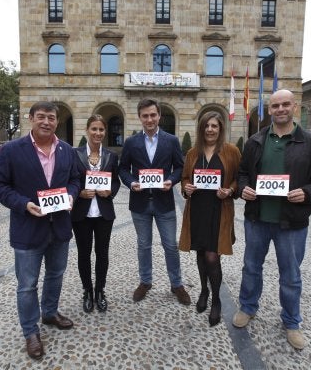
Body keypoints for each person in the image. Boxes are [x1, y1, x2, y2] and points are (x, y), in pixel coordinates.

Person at [233, 89, 311, 350]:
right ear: (269, 110)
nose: (280, 109)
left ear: (295, 107)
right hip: (257, 218)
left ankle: (291, 322)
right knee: (251, 267)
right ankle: (248, 307)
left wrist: (308, 192)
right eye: (275, 105)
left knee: (290, 275)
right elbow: (243, 174)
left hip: (292, 222)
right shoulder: (255, 141)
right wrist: (242, 188)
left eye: (285, 104)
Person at [0, 101, 80, 360]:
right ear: (30, 119)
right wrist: (23, 204)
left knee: (56, 274)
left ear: (56, 122)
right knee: (27, 285)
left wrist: (71, 196)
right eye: (41, 117)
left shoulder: (66, 150)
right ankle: (30, 331)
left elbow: (75, 180)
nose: (46, 122)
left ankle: (49, 313)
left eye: (51, 117)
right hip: (28, 229)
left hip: (59, 227)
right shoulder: (11, 150)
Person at [118, 97, 191, 306]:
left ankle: (176, 284)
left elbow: (180, 167)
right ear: (139, 118)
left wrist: (171, 180)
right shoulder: (131, 142)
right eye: (145, 116)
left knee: (170, 245)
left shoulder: (171, 141)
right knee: (143, 245)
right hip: (140, 203)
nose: (149, 119)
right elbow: (123, 168)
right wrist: (131, 182)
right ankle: (145, 281)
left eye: (153, 115)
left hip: (164, 202)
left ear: (159, 115)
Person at [179, 111, 241, 327]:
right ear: (201, 128)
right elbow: (185, 178)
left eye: (214, 126)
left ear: (220, 128)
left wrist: (230, 190)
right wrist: (186, 187)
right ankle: (203, 290)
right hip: (197, 209)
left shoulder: (231, 151)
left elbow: (238, 179)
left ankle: (216, 300)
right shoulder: (192, 153)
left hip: (219, 210)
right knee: (200, 254)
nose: (210, 130)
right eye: (206, 126)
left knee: (213, 257)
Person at [71, 115, 120, 313]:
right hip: (81, 213)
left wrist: (111, 192)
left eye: (101, 130)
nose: (98, 133)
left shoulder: (111, 156)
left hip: (103, 213)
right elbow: (70, 179)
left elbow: (115, 181)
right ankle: (87, 290)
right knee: (83, 255)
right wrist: (78, 193)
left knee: (102, 254)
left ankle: (100, 290)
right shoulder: (75, 154)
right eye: (94, 129)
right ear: (87, 130)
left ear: (104, 132)